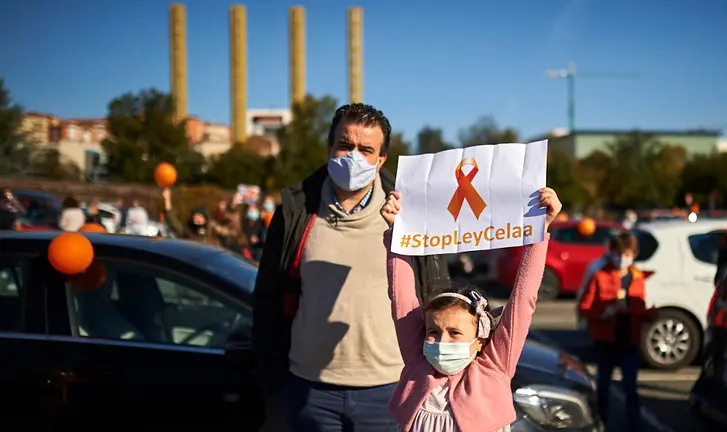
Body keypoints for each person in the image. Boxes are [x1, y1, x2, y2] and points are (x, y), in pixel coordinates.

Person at [253, 103, 450, 431]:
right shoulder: (296, 212)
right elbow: (267, 300)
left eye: (366, 149)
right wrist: (275, 383)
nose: (353, 156)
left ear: (381, 159)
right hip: (309, 392)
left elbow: (438, 295)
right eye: (345, 145)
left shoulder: (410, 217)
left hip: (390, 391)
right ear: (330, 148)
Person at [380, 188, 559, 431]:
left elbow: (523, 299)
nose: (442, 341)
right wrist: (396, 233)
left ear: (478, 340)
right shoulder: (417, 362)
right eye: (433, 331)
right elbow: (401, 297)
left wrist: (540, 229)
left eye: (455, 333)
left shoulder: (494, 367)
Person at [577, 232, 657, 431]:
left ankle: (634, 425)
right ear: (611, 252)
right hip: (606, 340)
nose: (622, 258)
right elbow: (584, 307)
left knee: (630, 386)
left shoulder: (638, 277)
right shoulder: (600, 275)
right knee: (603, 386)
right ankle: (601, 422)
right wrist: (602, 313)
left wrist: (649, 314)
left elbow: (640, 306)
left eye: (627, 254)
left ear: (634, 254)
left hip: (629, 340)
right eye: (619, 253)